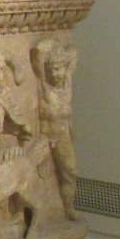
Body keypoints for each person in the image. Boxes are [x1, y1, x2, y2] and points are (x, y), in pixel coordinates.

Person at [31, 40, 80, 219]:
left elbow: (75, 51)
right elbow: (37, 53)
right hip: (44, 137)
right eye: (50, 69)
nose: (54, 73)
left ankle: (67, 209)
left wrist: (57, 48)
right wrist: (49, 44)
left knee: (70, 172)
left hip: (63, 135)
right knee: (27, 172)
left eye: (57, 69)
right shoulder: (43, 84)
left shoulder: (67, 82)